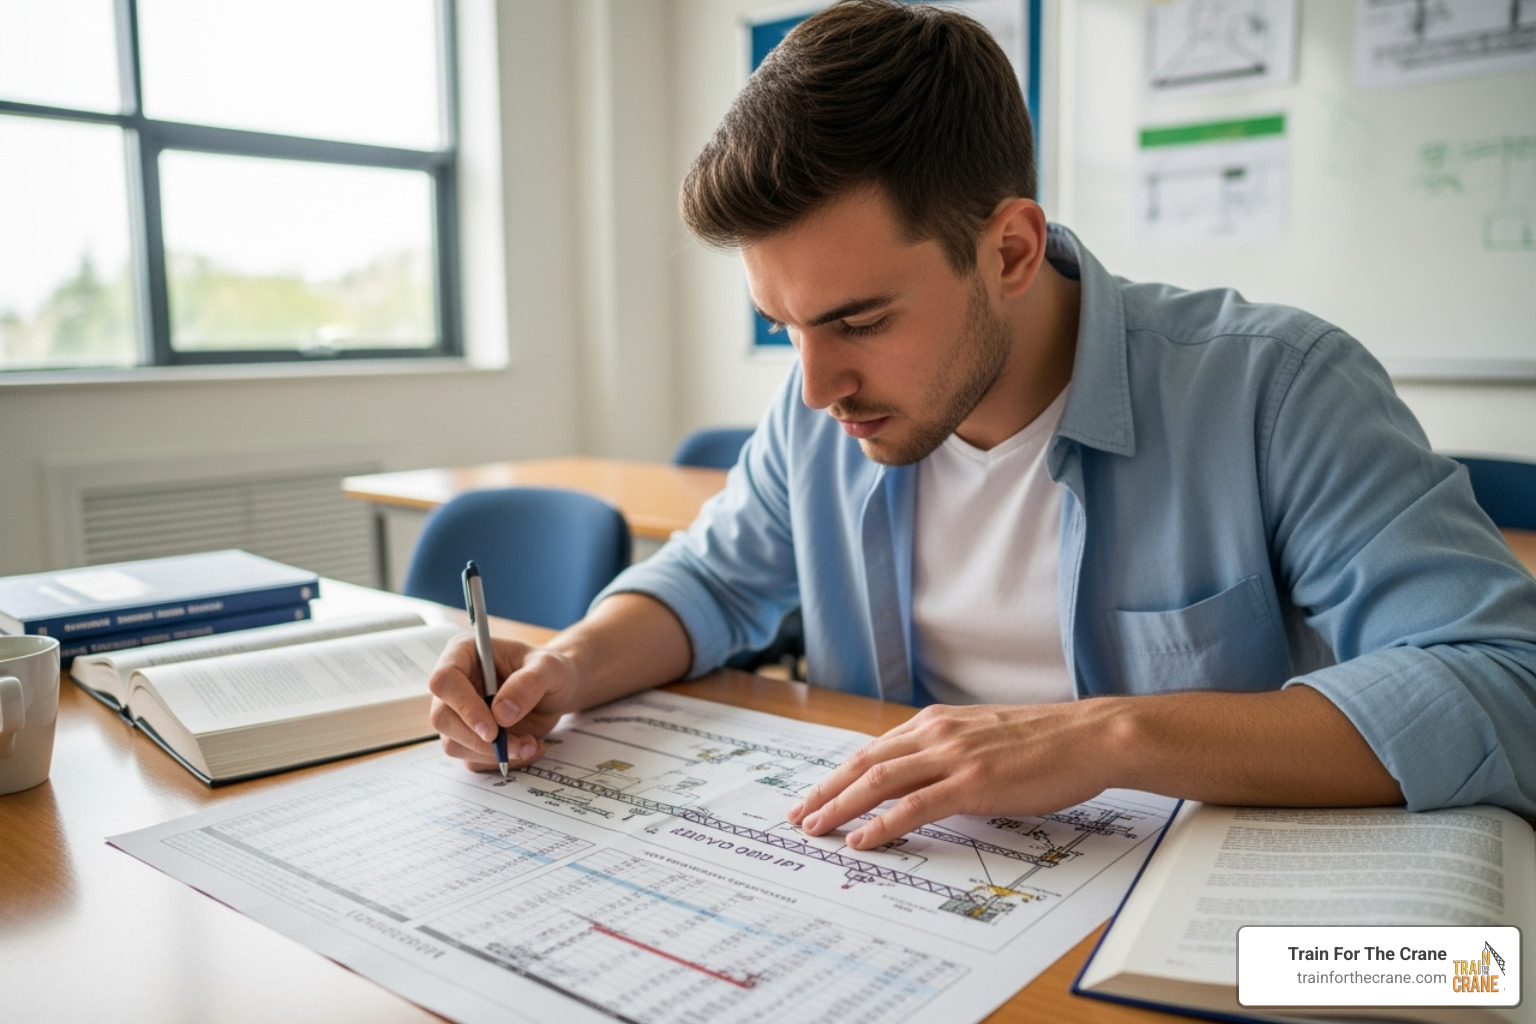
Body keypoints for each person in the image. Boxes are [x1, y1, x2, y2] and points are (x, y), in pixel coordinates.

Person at [429, 0, 1536, 847]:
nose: (815, 386)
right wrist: (565, 667)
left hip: (1188, 903)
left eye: (860, 319)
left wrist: (1109, 737)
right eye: (783, 326)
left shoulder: (1275, 390)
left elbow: (1506, 682)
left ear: (1009, 249)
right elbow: (712, 583)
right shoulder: (817, 413)